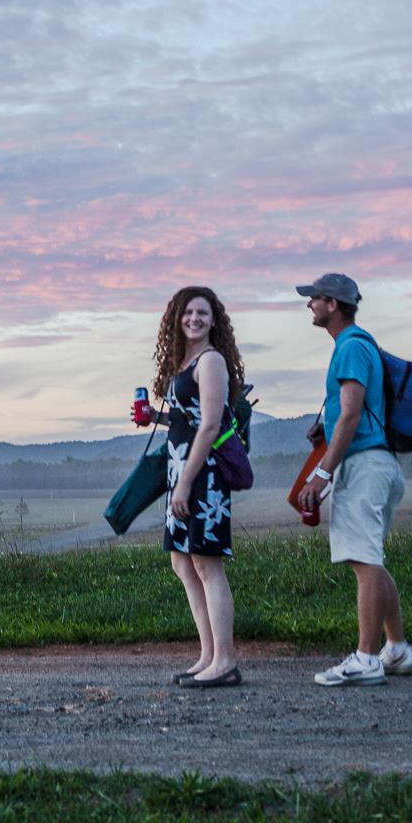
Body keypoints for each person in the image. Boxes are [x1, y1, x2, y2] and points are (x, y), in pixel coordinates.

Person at [294, 273, 412, 686]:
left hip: (363, 466)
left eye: (314, 299)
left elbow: (351, 412)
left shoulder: (348, 346)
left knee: (365, 562)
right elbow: (349, 414)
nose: (309, 305)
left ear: (332, 303)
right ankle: (396, 648)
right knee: (369, 559)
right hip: (379, 463)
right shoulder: (361, 343)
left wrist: (322, 472)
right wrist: (327, 433)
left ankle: (366, 659)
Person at [144, 286, 248, 688]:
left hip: (203, 475)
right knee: (183, 562)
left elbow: (209, 425)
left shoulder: (211, 361)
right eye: (188, 312)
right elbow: (187, 418)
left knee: (206, 562)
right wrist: (156, 416)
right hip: (182, 474)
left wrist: (185, 484)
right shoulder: (185, 361)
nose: (194, 319)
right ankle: (208, 655)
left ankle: (226, 660)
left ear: (214, 320)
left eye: (203, 313)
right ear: (177, 318)